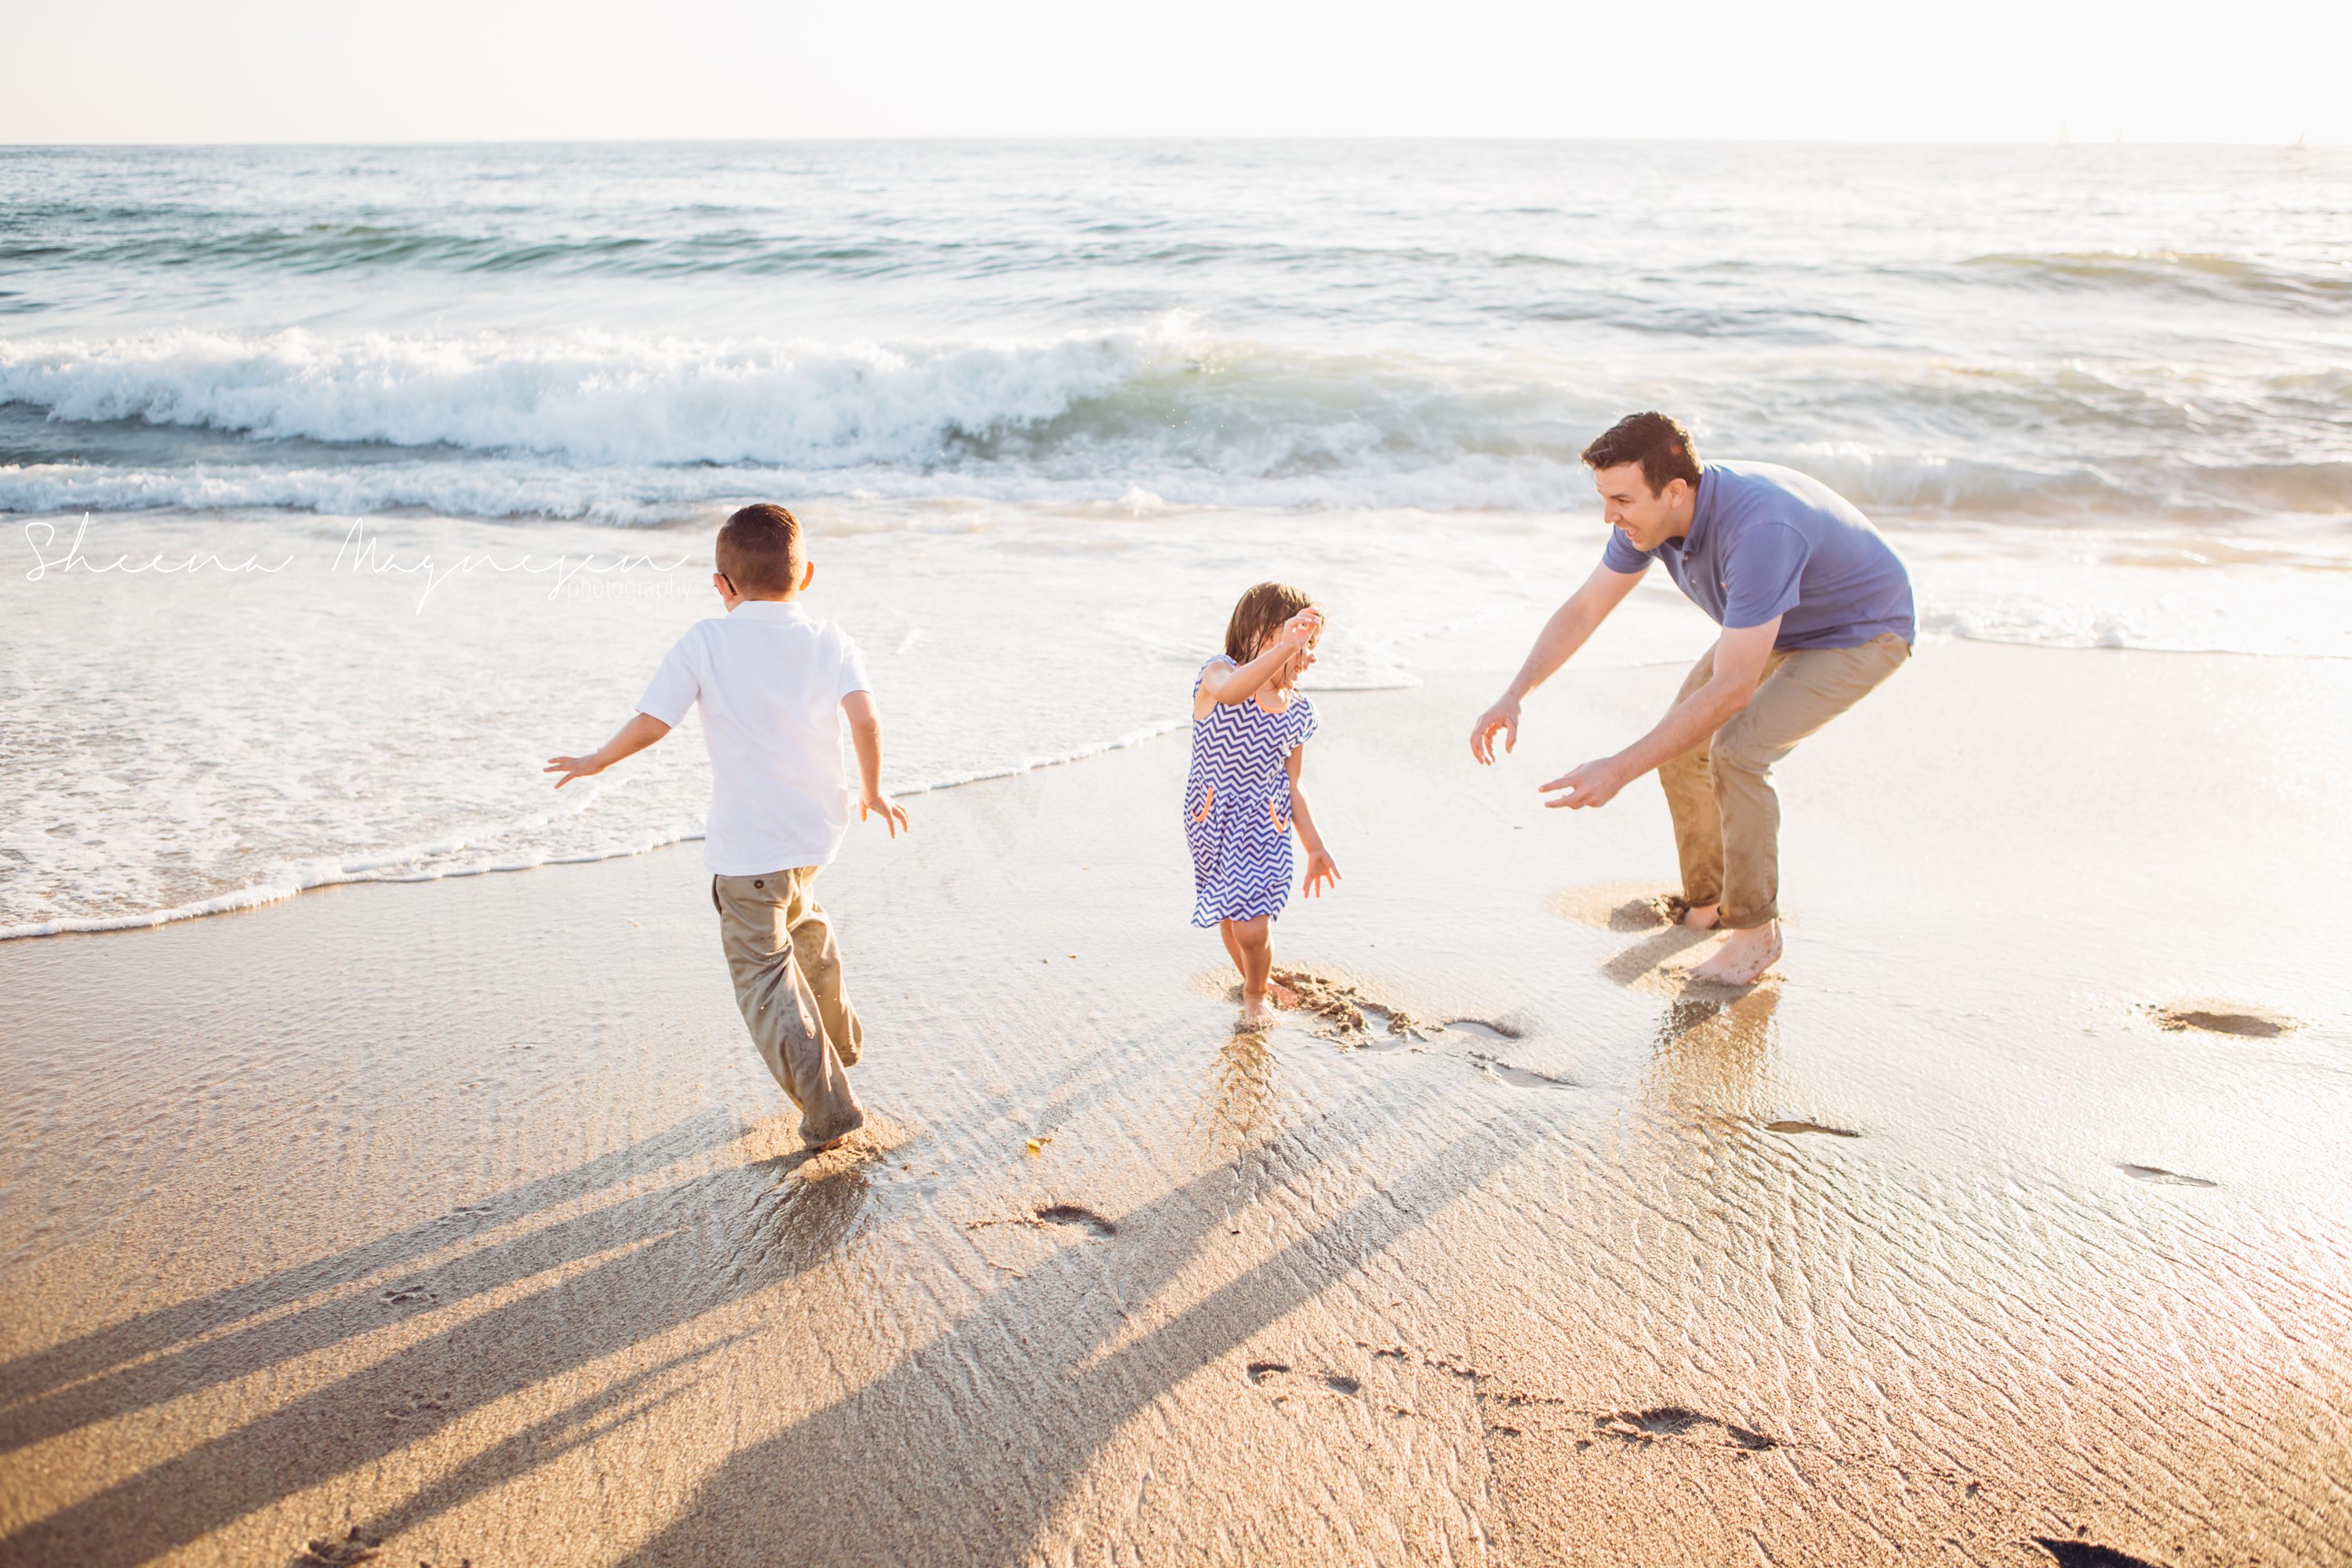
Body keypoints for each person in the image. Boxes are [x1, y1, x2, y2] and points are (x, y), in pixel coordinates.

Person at [1470, 412, 1915, 985]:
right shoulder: (1647, 522)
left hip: (1861, 631)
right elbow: (1585, 609)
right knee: (1683, 750)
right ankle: (1709, 905)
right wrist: (1514, 694)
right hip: (1778, 620)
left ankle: (1756, 936)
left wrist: (1619, 768)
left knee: (1736, 752)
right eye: (1606, 499)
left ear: (1675, 491)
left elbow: (1732, 691)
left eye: (1622, 500)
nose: (1610, 515)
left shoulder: (1758, 532)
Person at [546, 503, 909, 1149]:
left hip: (749, 852)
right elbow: (865, 720)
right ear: (807, 576)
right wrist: (874, 791)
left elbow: (655, 722)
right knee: (801, 919)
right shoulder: (832, 640)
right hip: (814, 837)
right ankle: (841, 1035)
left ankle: (830, 1110)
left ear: (723, 585)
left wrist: (597, 759)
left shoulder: (707, 641)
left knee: (763, 973)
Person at [1185, 582, 1342, 1029]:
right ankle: (1260, 979)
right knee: (1232, 919)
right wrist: (1283, 649)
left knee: (1253, 926)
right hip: (1211, 818)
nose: (1306, 654)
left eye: (1310, 645)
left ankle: (1255, 995)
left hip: (1264, 823)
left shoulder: (1298, 711)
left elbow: (1294, 783)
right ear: (1257, 632)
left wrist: (1314, 846)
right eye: (1297, 640)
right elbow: (1235, 692)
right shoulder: (1218, 673)